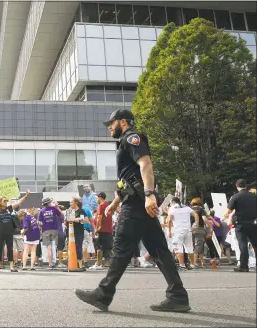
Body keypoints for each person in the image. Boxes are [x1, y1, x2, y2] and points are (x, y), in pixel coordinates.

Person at [75, 109, 190, 312]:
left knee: (121, 247)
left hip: (137, 204)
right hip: (137, 202)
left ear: (124, 122)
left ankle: (103, 294)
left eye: (112, 123)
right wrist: (114, 203)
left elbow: (145, 164)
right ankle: (178, 296)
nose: (109, 127)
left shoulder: (131, 138)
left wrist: (149, 194)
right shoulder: (124, 142)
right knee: (159, 251)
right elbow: (128, 180)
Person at [0, 191, 30, 273]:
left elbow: (18, 203)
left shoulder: (9, 208)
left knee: (10, 249)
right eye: (4, 201)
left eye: (6, 200)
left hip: (9, 232)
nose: (6, 202)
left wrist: (25, 196)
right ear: (0, 202)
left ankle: (12, 267)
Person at [225, 179, 257, 272]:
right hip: (253, 223)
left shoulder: (236, 197)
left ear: (236, 186)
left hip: (241, 224)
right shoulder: (254, 196)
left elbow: (229, 211)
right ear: (246, 186)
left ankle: (243, 266)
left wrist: (227, 216)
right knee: (255, 245)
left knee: (243, 245)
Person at [167, 197, 199, 270]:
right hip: (188, 230)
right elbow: (196, 215)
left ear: (172, 202)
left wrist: (169, 231)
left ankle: (182, 265)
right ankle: (193, 264)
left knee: (178, 248)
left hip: (178, 230)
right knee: (189, 248)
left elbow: (169, 220)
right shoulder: (186, 207)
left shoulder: (172, 208)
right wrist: (196, 223)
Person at [90, 192, 113, 270]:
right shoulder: (107, 204)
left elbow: (99, 218)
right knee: (107, 247)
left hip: (102, 229)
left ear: (100, 197)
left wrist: (97, 228)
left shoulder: (101, 205)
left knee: (99, 247)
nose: (96, 199)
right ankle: (107, 263)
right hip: (108, 229)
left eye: (97, 198)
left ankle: (98, 264)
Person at [38, 197, 63, 269]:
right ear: (49, 203)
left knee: (48, 247)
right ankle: (54, 261)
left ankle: (50, 263)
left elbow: (40, 222)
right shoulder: (54, 209)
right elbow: (61, 214)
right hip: (54, 229)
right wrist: (57, 207)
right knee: (54, 246)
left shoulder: (41, 211)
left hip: (45, 230)